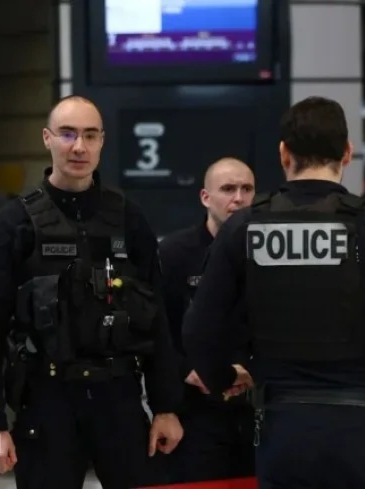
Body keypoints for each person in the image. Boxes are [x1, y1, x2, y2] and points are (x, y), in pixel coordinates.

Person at [181, 96, 365, 489]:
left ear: (284, 154)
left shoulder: (245, 229)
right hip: (363, 431)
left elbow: (198, 329)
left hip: (281, 429)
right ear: (348, 153)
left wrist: (222, 380)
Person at [0, 95, 184, 489]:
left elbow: (157, 322)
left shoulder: (128, 219)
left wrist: (166, 407)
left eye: (89, 135)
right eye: (68, 134)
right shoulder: (13, 224)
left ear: (102, 141)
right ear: (47, 139)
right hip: (47, 400)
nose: (79, 147)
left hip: (118, 398)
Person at [159, 157, 257, 483]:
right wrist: (187, 370)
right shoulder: (174, 254)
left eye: (247, 189)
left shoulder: (268, 252)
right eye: (228, 189)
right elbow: (157, 331)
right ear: (205, 197)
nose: (238, 198)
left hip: (255, 408)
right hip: (195, 410)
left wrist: (251, 370)